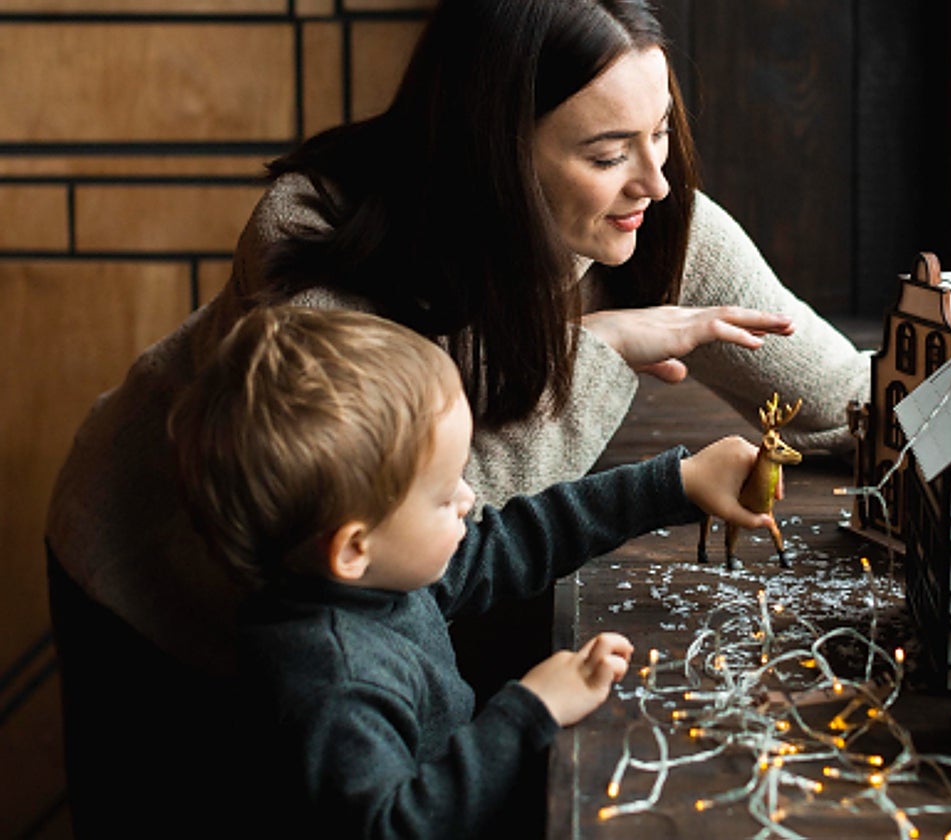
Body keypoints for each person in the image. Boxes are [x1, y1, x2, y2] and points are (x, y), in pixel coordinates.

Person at [44, 0, 867, 829]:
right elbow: (432, 518)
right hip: (163, 584)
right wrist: (595, 347)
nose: (655, 180)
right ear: (496, 151)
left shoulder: (648, 213)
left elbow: (851, 396)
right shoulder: (320, 239)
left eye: (661, 133)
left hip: (379, 627)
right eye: (609, 151)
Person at [167, 305, 773, 838]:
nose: (467, 496)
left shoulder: (376, 578)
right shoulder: (336, 684)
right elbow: (396, 826)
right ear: (352, 548)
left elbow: (517, 538)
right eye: (440, 494)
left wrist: (678, 482)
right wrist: (531, 708)